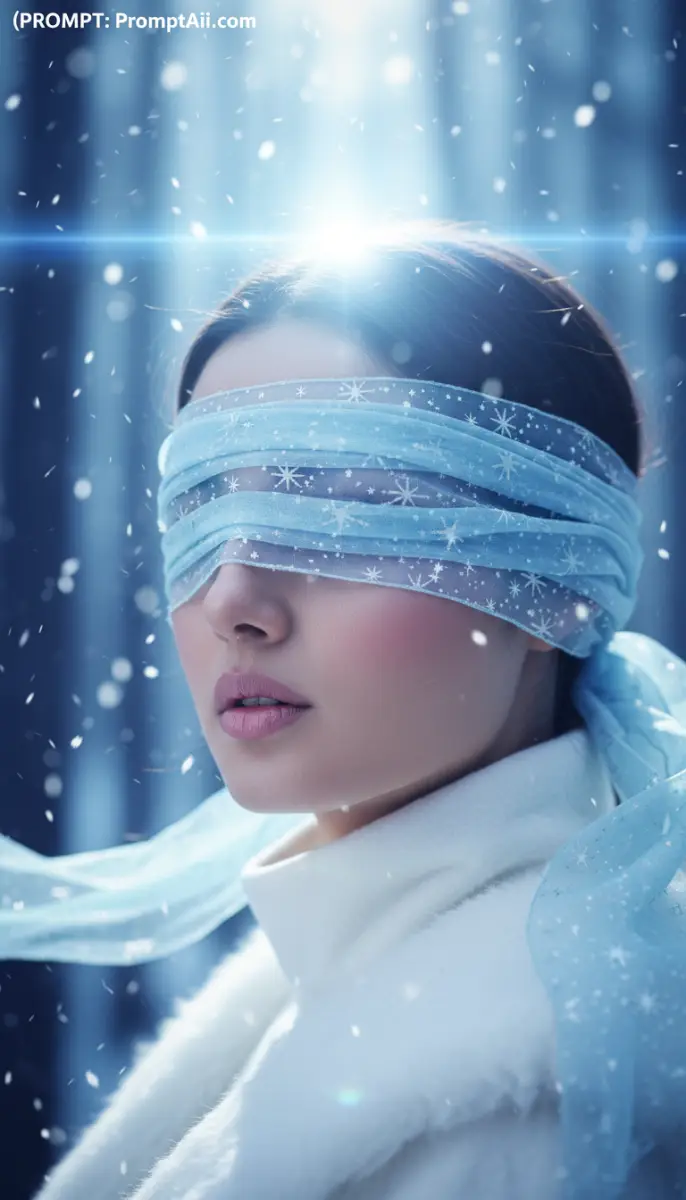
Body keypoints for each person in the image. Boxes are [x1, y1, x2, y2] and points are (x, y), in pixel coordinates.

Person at [21, 218, 686, 1199]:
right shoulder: (329, 978)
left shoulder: (523, 1110)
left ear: (556, 585)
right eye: (202, 512)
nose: (234, 600)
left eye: (338, 515)